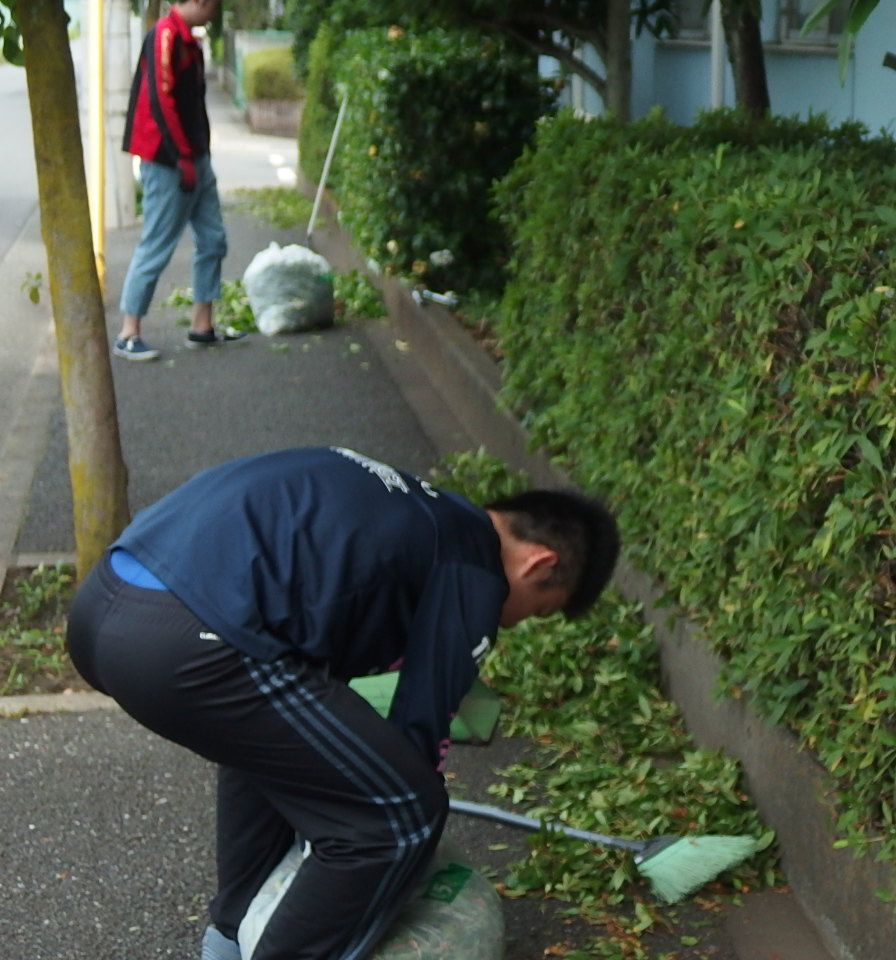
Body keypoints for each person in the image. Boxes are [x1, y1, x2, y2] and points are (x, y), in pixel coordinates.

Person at [65, 446, 620, 960]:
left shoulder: (411, 511)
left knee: (282, 750)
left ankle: (229, 940)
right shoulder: (475, 567)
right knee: (401, 813)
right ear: (540, 565)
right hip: (187, 644)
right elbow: (420, 734)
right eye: (540, 611)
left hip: (103, 608)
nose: (515, 621)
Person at [115, 0, 243, 361]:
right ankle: (128, 333)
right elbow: (160, 101)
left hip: (196, 158)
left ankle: (202, 327)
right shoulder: (165, 35)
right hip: (169, 160)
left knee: (213, 240)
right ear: (200, 2)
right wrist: (183, 156)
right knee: (156, 245)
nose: (215, 12)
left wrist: (198, 154)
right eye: (213, 5)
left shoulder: (189, 39)